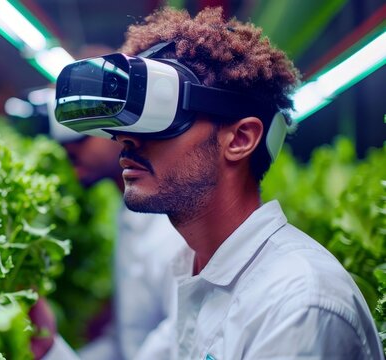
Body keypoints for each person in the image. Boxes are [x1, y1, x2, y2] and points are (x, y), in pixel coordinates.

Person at [36, 6, 384, 359]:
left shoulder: (297, 305)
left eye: (159, 117)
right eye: (125, 124)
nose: (127, 140)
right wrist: (47, 346)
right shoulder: (201, 278)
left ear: (239, 139)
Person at [42, 88, 192, 360]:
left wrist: (50, 349)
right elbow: (126, 340)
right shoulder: (125, 214)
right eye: (65, 149)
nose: (70, 155)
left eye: (82, 139)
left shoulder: (173, 230)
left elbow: (179, 342)